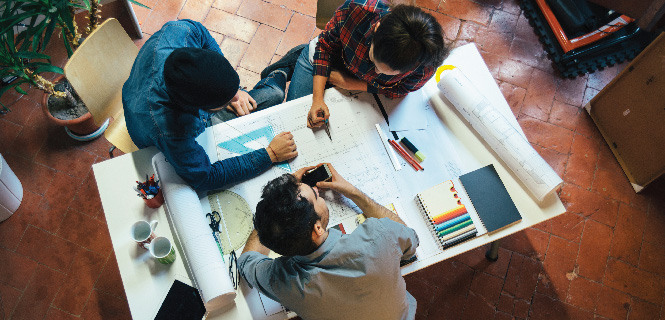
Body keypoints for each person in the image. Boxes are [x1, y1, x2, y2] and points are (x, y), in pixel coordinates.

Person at [123, 19, 299, 191]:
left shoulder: (181, 31)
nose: (238, 98)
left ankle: (285, 67)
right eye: (226, 101)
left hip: (150, 95)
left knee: (274, 95)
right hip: (152, 131)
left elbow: (203, 35)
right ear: (200, 108)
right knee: (271, 96)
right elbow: (206, 178)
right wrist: (270, 155)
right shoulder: (172, 130)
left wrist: (230, 91)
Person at [238, 163, 419, 319]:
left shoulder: (281, 282)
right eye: (316, 196)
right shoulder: (379, 235)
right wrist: (353, 192)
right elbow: (412, 242)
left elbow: (246, 261)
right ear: (317, 229)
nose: (317, 190)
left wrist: (273, 213)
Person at [261, 0, 448, 128]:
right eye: (374, 61)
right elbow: (324, 47)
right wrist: (317, 99)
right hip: (328, 59)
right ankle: (293, 61)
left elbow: (399, 90)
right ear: (376, 28)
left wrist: (353, 84)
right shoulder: (358, 10)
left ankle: (293, 63)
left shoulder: (426, 64)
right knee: (294, 117)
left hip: (354, 81)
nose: (375, 72)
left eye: (386, 73)